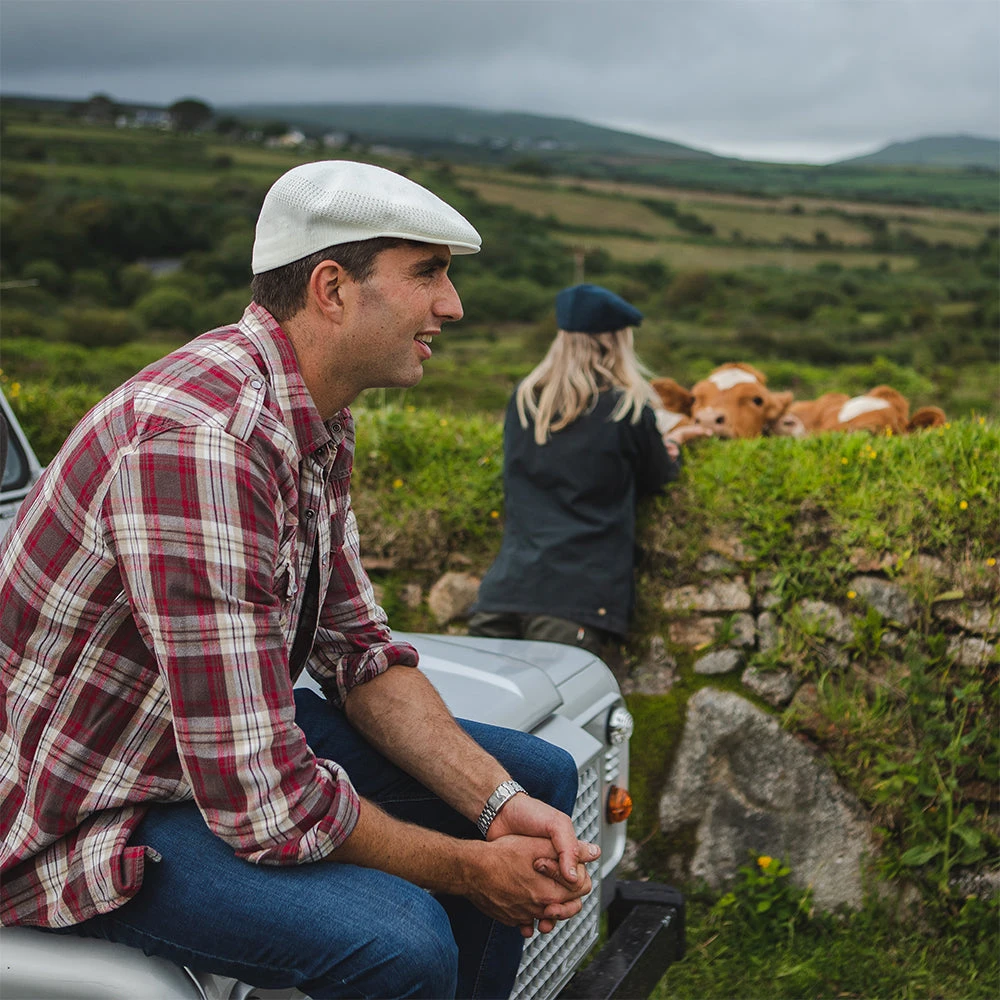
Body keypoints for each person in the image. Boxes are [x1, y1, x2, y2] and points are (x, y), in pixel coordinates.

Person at [0, 161, 600, 1000]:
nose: (452, 306)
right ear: (331, 288)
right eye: (428, 272)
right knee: (402, 943)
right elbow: (264, 800)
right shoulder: (202, 441)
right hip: (85, 806)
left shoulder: (309, 414)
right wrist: (472, 869)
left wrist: (496, 809)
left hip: (184, 751)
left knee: (534, 779)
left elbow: (357, 652)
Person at [469, 284, 707, 658]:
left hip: (503, 594)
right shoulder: (626, 408)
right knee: (564, 716)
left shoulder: (526, 400)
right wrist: (672, 446)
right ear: (617, 342)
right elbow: (658, 476)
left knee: (485, 715)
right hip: (573, 601)